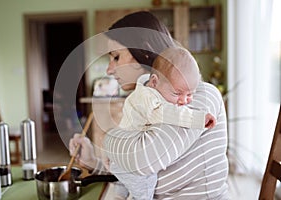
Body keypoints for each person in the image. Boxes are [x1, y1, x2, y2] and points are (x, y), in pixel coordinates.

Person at [69, 11, 230, 199]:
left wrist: (107, 139)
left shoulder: (199, 97)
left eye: (116, 57)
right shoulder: (148, 104)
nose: (109, 69)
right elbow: (137, 178)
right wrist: (92, 161)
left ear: (143, 51)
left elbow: (143, 160)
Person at [109, 46, 217, 200]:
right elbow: (165, 113)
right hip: (130, 160)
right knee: (145, 186)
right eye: (177, 93)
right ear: (154, 82)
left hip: (122, 155)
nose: (184, 101)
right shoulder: (149, 99)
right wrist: (198, 118)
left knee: (123, 186)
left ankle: (120, 195)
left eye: (190, 94)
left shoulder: (150, 90)